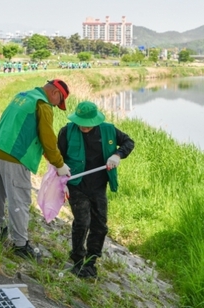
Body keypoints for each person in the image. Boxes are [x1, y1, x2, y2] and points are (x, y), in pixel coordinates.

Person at [0, 79, 71, 260]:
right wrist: (59, 164)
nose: (56, 106)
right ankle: (20, 245)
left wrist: (51, 159)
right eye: (59, 101)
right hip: (15, 157)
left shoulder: (23, 96)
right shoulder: (43, 105)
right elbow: (48, 140)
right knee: (19, 202)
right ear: (55, 93)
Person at [57, 101, 135, 278]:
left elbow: (129, 142)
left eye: (88, 124)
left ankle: (91, 263)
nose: (84, 127)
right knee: (82, 222)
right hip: (76, 185)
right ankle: (77, 261)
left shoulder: (109, 130)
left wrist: (117, 155)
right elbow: (57, 158)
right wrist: (61, 184)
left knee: (100, 225)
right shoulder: (67, 132)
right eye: (81, 123)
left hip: (98, 186)